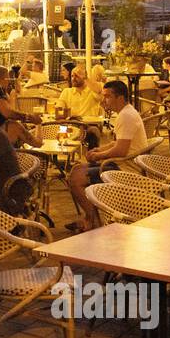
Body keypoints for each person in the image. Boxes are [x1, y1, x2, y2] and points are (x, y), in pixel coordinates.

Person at [67, 80, 149, 232]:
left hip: (126, 168)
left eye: (107, 96)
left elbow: (121, 150)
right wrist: (98, 150)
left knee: (76, 179)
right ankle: (90, 218)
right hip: (123, 163)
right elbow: (117, 143)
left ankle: (92, 222)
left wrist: (98, 156)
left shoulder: (126, 116)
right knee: (77, 169)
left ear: (120, 98)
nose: (104, 100)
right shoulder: (126, 113)